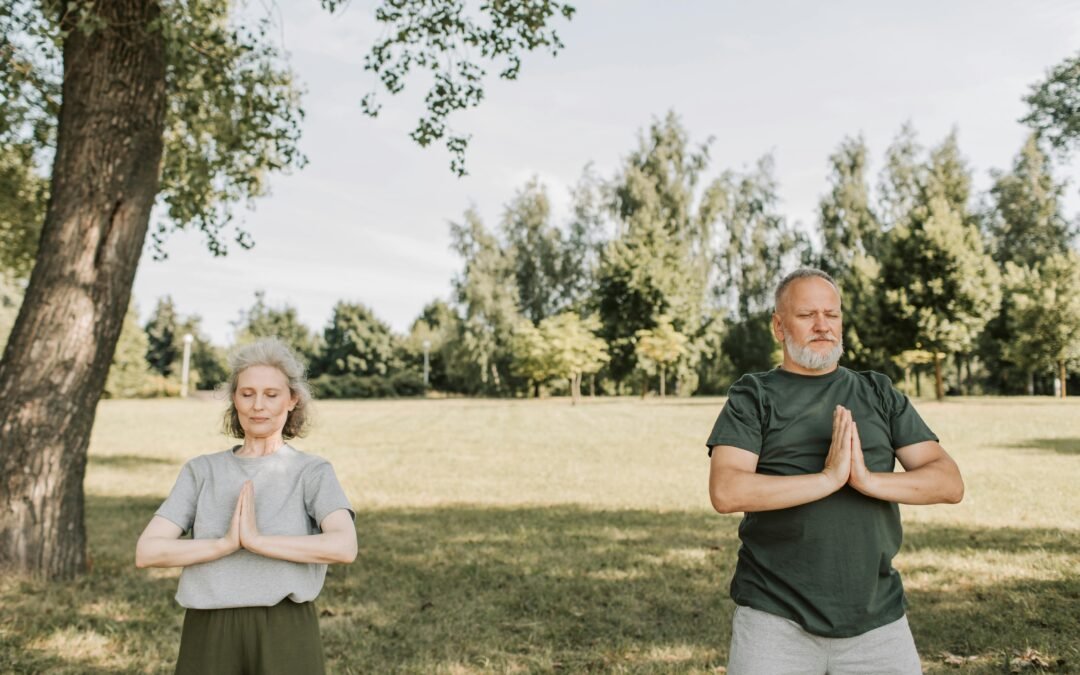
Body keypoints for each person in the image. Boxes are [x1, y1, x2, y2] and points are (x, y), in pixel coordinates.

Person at [706, 268, 964, 675]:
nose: (823, 325)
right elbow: (727, 490)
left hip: (878, 619)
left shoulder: (878, 391)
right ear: (779, 326)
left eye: (832, 314)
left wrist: (867, 480)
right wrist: (827, 479)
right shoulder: (753, 395)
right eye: (807, 315)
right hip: (775, 619)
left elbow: (949, 482)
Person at [136, 337, 357, 675]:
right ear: (234, 399)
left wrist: (257, 542)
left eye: (271, 395)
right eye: (247, 393)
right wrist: (225, 544)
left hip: (285, 627)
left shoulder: (312, 472)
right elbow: (148, 552)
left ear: (292, 400)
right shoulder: (201, 471)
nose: (258, 406)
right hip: (209, 627)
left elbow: (344, 546)